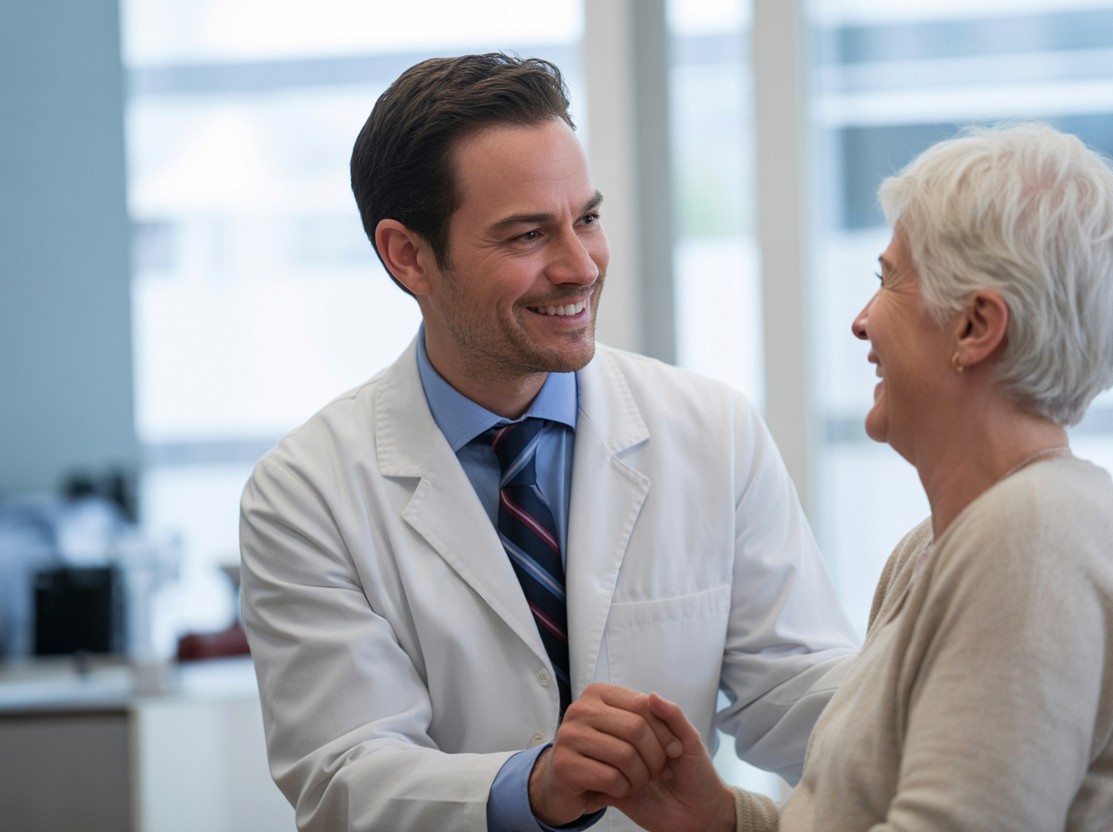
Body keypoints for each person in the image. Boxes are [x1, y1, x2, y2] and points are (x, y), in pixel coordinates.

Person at [238, 52, 859, 832]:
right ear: (408, 255)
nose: (580, 266)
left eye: (587, 219)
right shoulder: (306, 491)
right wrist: (531, 787)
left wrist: (953, 714)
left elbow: (795, 688)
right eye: (528, 234)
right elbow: (343, 776)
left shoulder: (712, 431)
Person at [611, 122, 1113, 832]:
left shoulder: (1035, 536)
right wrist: (721, 819)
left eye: (888, 281)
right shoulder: (938, 546)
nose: (862, 322)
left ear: (975, 328)